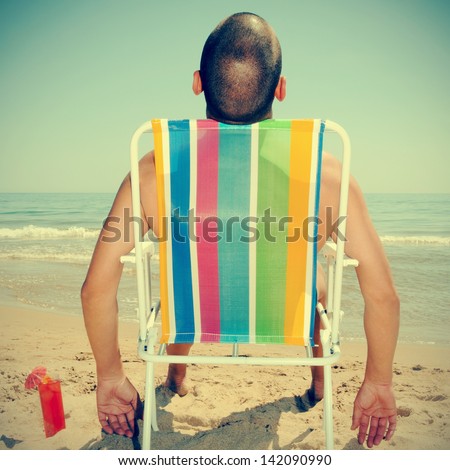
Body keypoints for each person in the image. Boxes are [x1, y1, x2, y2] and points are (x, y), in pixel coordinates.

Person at [81, 12, 400, 449]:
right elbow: (382, 294)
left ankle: (175, 373)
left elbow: (95, 289)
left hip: (195, 307)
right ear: (281, 89)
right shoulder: (326, 174)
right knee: (317, 288)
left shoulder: (154, 172)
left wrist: (111, 376)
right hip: (280, 307)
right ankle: (320, 384)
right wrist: (379, 383)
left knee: (186, 278)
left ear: (197, 82)